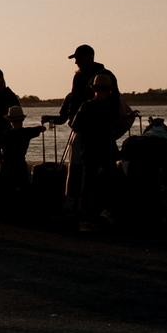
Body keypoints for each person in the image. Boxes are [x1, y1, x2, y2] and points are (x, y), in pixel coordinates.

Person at [70, 69, 125, 232]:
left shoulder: (87, 106)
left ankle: (91, 217)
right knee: (104, 182)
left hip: (93, 149)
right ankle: (101, 215)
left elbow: (75, 126)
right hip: (102, 149)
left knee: (92, 183)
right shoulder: (108, 107)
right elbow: (114, 127)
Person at [57, 44, 113, 126]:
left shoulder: (105, 75)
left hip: (98, 121)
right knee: (70, 96)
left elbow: (113, 98)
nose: (76, 62)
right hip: (80, 122)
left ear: (89, 58)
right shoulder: (78, 76)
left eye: (78, 59)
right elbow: (74, 98)